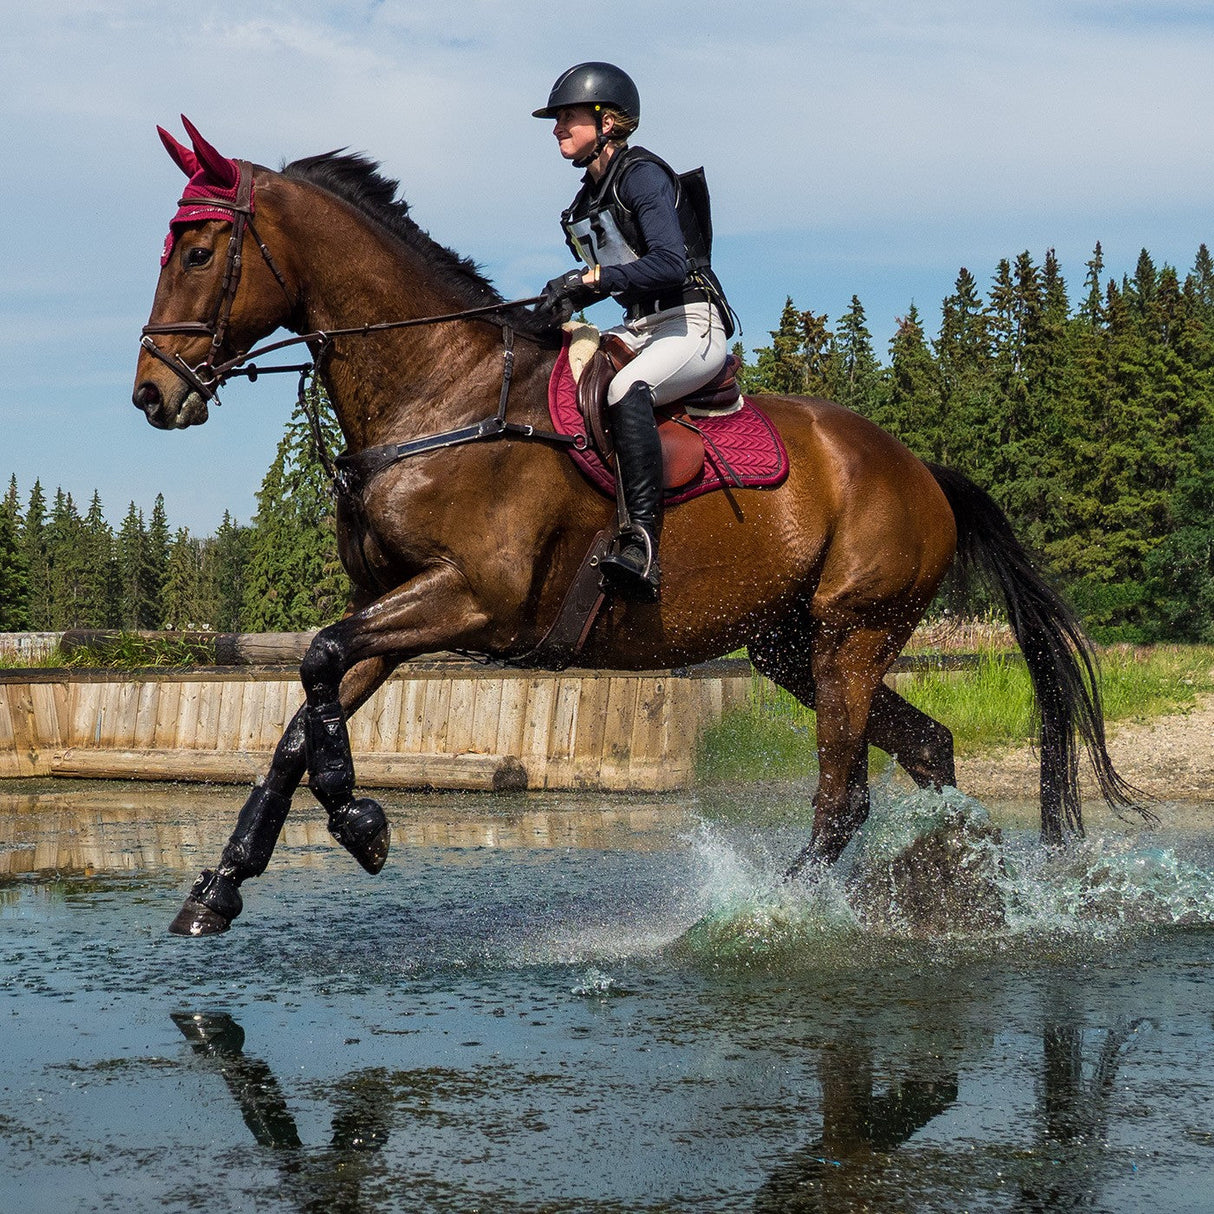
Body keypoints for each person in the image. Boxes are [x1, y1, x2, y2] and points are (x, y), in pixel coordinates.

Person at [534, 62, 735, 601]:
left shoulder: (642, 175)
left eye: (568, 117)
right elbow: (617, 275)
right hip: (640, 326)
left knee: (625, 388)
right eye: (557, 119)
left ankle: (641, 543)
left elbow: (670, 263)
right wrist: (567, 294)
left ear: (607, 122)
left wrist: (592, 279)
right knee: (569, 382)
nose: (557, 128)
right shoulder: (585, 202)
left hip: (691, 323)